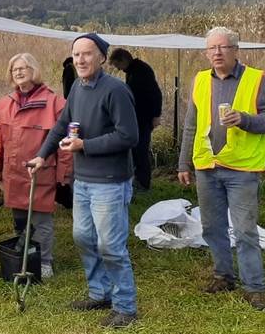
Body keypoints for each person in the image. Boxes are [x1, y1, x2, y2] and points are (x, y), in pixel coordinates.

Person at [29, 33, 139, 328]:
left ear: (102, 57)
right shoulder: (78, 86)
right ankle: (100, 292)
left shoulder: (115, 90)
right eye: (76, 54)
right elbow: (63, 124)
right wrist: (42, 155)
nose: (80, 59)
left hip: (110, 181)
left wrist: (85, 146)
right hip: (83, 180)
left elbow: (129, 136)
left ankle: (126, 306)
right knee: (83, 238)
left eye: (87, 54)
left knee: (110, 246)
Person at [177, 27, 265, 311]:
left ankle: (254, 287)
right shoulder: (199, 80)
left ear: (236, 50)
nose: (217, 53)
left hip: (242, 169)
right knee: (212, 227)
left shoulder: (256, 79)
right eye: (212, 48)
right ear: (206, 52)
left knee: (245, 230)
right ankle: (223, 276)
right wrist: (183, 162)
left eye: (223, 47)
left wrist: (245, 119)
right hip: (207, 167)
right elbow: (191, 125)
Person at [0, 53, 72, 278]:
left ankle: (44, 261)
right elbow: (0, 140)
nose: (18, 72)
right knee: (19, 220)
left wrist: (64, 173)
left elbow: (65, 142)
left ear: (34, 70)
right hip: (14, 172)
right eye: (14, 68)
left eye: (24, 67)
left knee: (41, 220)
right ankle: (25, 256)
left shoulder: (54, 103)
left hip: (40, 172)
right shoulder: (5, 104)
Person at [109, 48, 162, 191]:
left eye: (117, 65)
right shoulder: (132, 72)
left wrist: (156, 115)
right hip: (135, 117)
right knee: (134, 149)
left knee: (141, 150)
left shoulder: (142, 70)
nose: (118, 69)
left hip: (145, 118)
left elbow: (156, 93)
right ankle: (136, 178)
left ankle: (143, 183)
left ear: (123, 60)